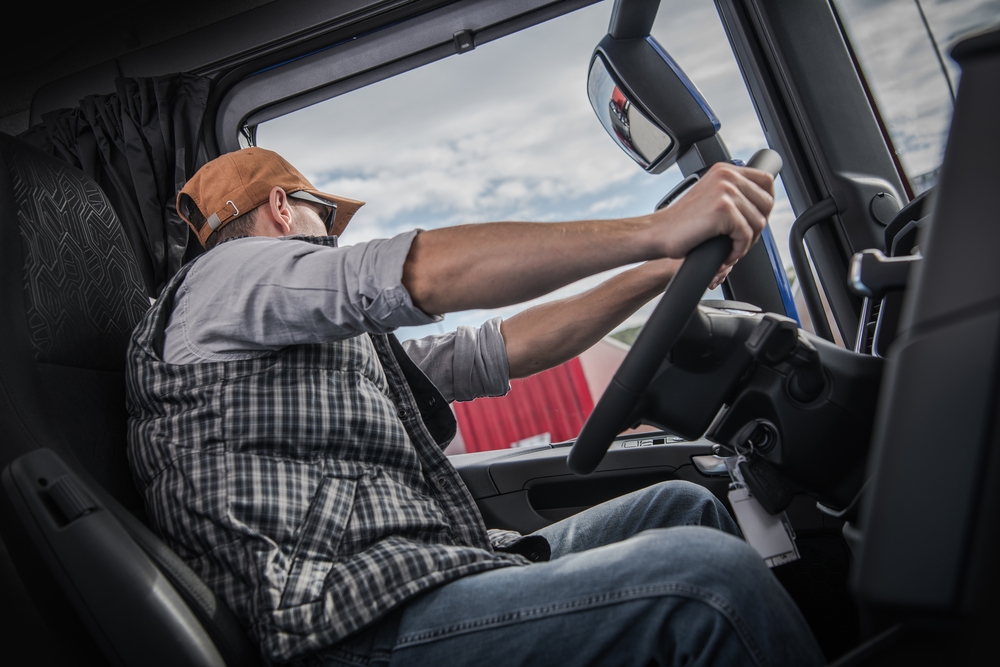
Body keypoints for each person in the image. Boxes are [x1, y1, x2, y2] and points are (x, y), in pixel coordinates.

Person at [125, 147, 823, 666]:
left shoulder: (304, 339)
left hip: (418, 572)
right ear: (282, 205)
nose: (330, 234)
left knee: (683, 504)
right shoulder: (223, 279)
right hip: (351, 623)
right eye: (322, 216)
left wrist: (657, 272)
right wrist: (657, 227)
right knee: (710, 583)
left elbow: (499, 349)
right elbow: (418, 272)